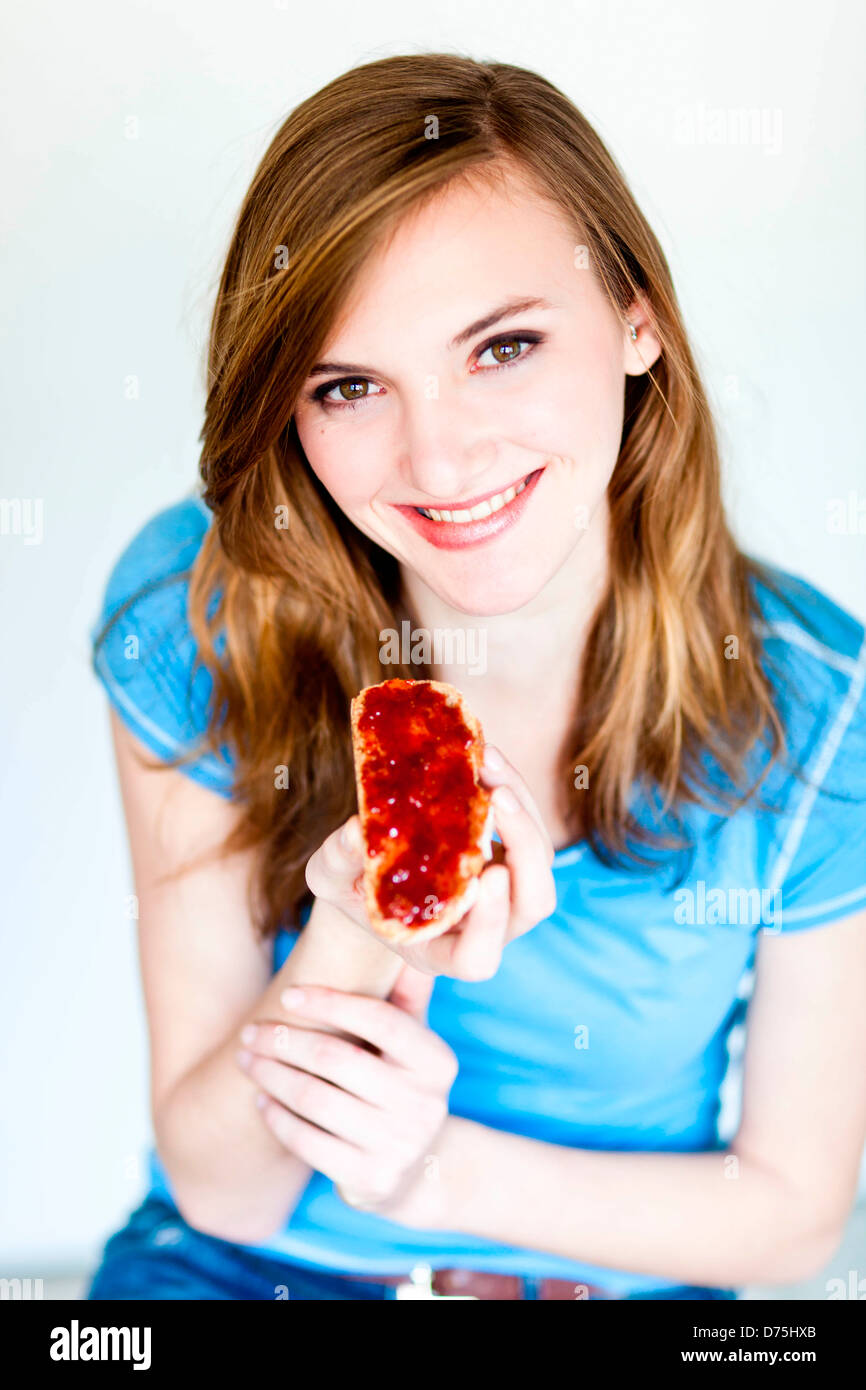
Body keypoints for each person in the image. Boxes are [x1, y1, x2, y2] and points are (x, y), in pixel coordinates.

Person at [85, 53, 866, 1301]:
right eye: (349, 386)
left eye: (501, 347)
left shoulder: (815, 707)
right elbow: (222, 1184)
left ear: (634, 317)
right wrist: (349, 927)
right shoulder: (197, 611)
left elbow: (788, 1219)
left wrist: (433, 1177)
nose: (439, 457)